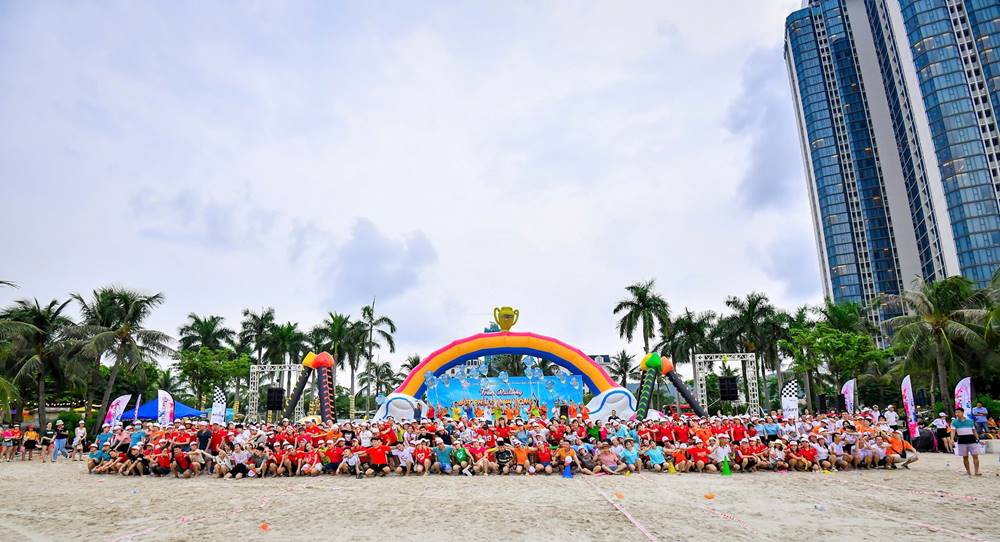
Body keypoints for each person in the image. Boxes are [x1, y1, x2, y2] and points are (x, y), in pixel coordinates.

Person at [951, 408, 981, 476]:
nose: (957, 414)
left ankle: (977, 471)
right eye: (956, 413)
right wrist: (952, 439)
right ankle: (968, 471)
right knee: (965, 457)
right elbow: (953, 431)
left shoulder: (970, 421)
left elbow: (974, 431)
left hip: (971, 439)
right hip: (962, 440)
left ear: (962, 412)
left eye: (958, 412)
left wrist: (978, 439)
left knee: (975, 456)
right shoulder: (954, 422)